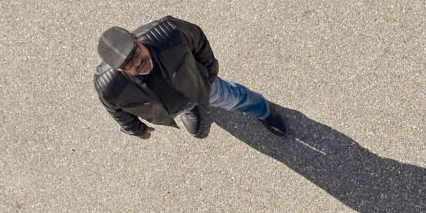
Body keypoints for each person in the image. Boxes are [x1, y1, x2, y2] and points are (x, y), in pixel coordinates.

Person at [95, 19, 290, 141]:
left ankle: (263, 111)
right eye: (128, 64)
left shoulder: (169, 32)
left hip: (201, 84)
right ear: (118, 69)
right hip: (173, 106)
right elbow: (116, 110)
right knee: (184, 107)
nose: (138, 62)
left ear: (135, 37)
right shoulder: (108, 87)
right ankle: (190, 109)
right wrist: (137, 130)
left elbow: (198, 39)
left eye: (135, 52)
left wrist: (210, 75)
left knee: (234, 98)